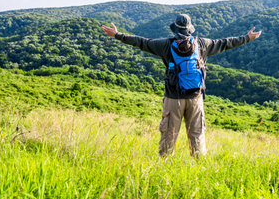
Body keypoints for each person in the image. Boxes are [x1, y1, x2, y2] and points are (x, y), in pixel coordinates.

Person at [101, 14, 261, 157]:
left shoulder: (165, 45)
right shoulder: (202, 44)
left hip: (173, 99)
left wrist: (117, 35)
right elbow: (225, 43)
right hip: (195, 98)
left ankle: (163, 167)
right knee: (197, 137)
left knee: (168, 138)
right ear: (190, 28)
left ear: (175, 28)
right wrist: (247, 38)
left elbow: (142, 42)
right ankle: (200, 170)